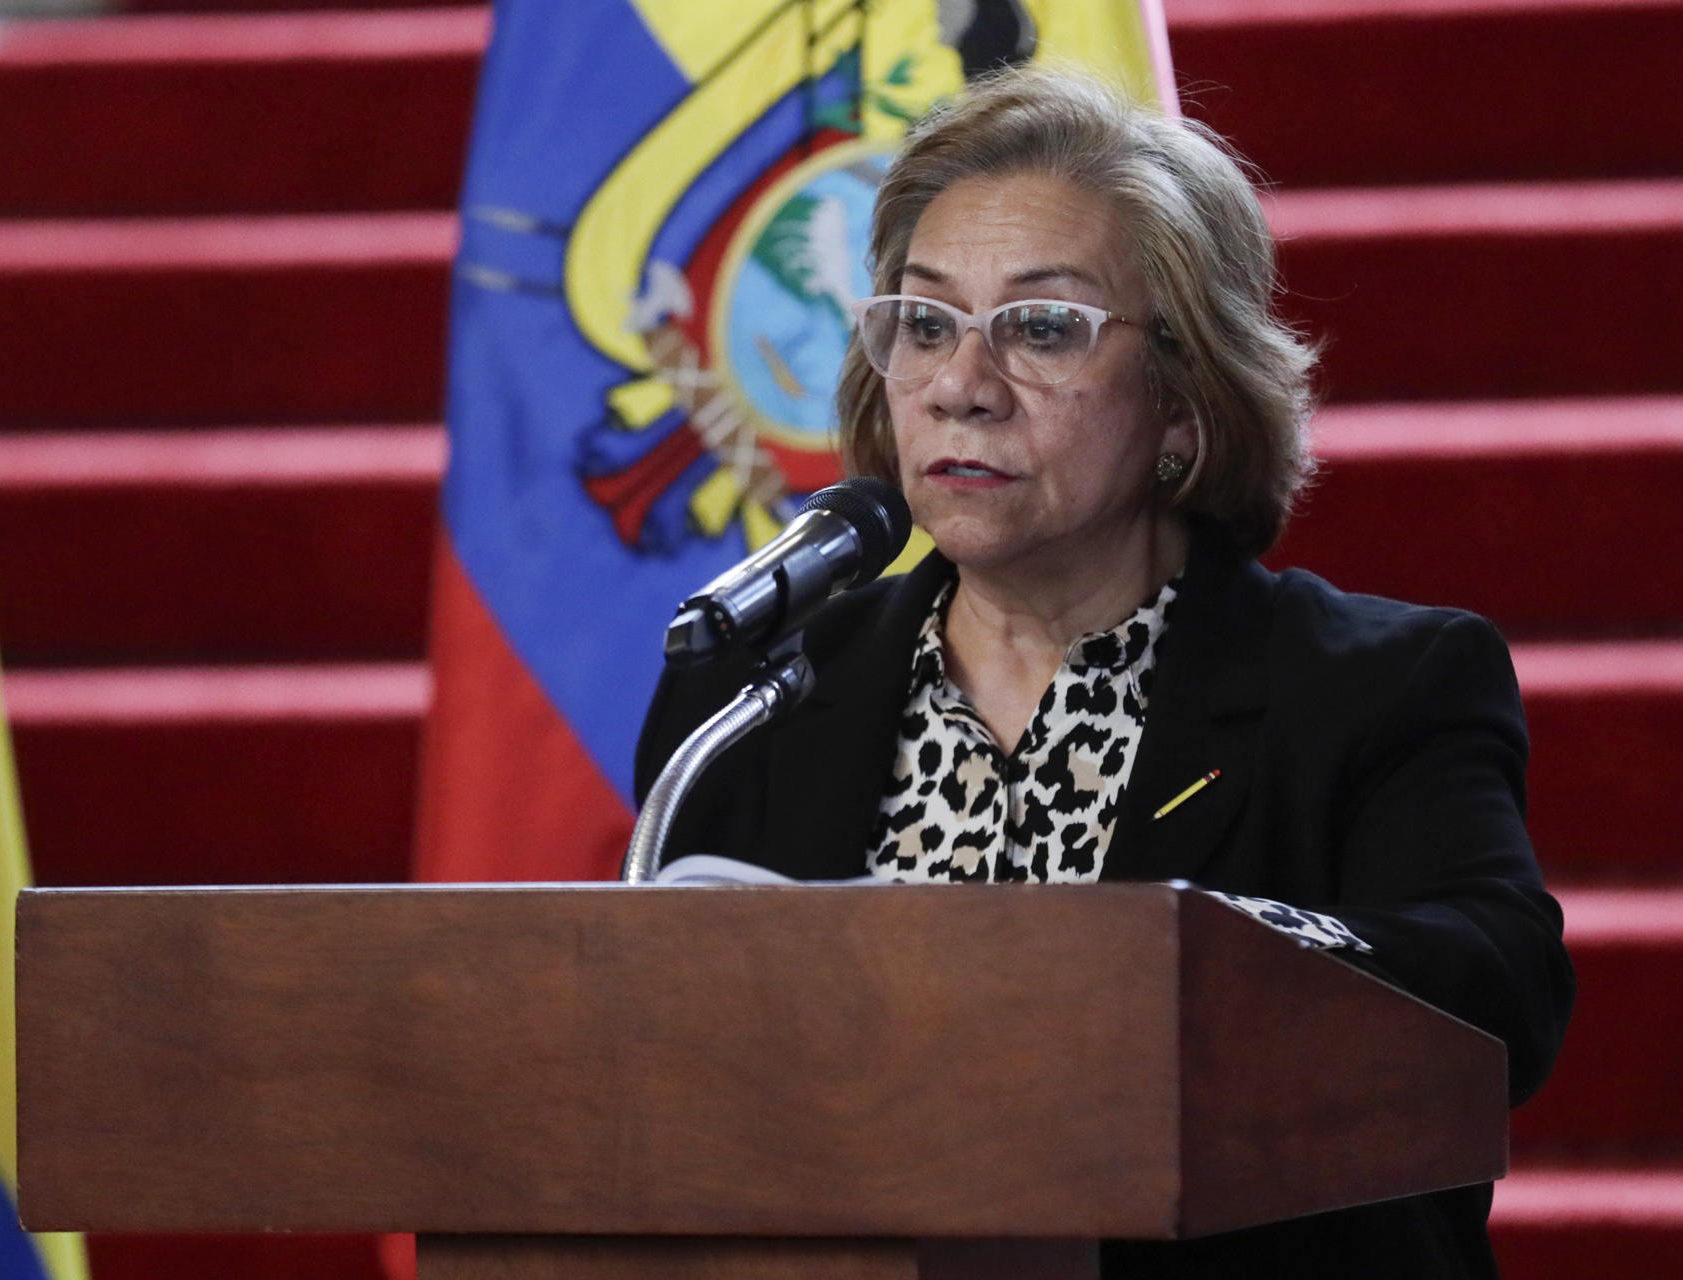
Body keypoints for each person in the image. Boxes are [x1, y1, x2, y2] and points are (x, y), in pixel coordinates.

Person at [636, 67, 1573, 1278]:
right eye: (923, 322)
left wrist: (1176, 947)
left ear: (1183, 399)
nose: (960, 384)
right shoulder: (758, 691)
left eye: (1040, 326)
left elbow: (1497, 988)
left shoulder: (1378, 686)